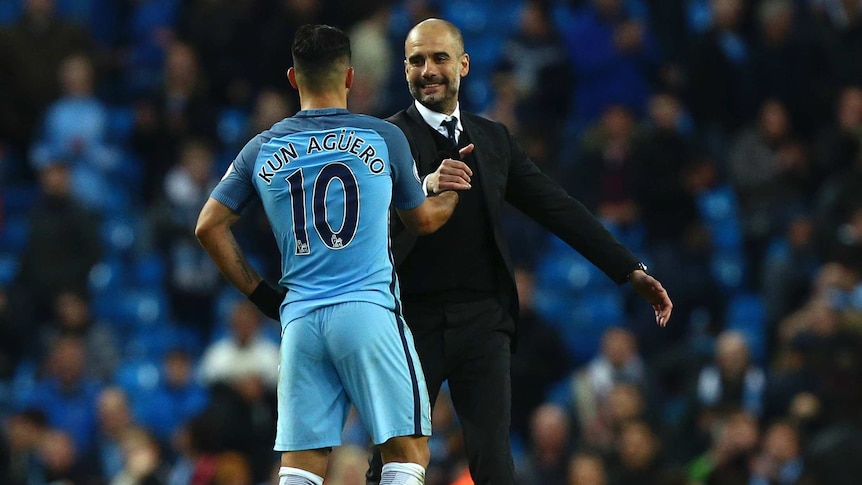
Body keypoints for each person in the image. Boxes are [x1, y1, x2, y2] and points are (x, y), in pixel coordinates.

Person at [367, 18, 674, 484]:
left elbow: (559, 209)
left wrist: (628, 268)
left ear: (464, 65)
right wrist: (423, 188)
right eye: (416, 60)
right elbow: (365, 226)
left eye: (439, 58)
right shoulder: (382, 141)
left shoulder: (494, 140)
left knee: (494, 464)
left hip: (483, 320)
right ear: (404, 68)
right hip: (410, 323)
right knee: (392, 462)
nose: (428, 69)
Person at [195, 24, 471, 485]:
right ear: (349, 77)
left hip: (300, 320)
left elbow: (208, 227)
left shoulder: (263, 147)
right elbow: (421, 220)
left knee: (301, 467)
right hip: (367, 310)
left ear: (292, 78)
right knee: (407, 452)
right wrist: (454, 189)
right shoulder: (383, 137)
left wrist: (264, 296)